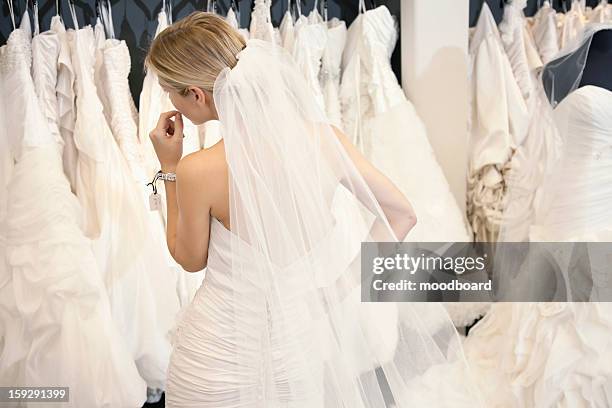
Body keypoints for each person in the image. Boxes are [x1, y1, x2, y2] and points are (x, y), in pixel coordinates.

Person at [146, 11, 483, 408]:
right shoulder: (325, 141)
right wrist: (335, 289)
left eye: (171, 90)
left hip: (218, 351)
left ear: (197, 95)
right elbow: (402, 215)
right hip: (296, 346)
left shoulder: (198, 169)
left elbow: (188, 259)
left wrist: (169, 168)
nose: (171, 100)